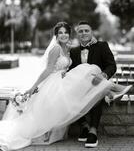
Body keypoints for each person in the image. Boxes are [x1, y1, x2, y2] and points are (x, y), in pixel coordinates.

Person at [0, 22, 131, 151]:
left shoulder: (71, 48)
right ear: (56, 35)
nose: (63, 35)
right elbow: (48, 70)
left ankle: (93, 127)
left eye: (66, 32)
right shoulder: (60, 49)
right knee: (88, 69)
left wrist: (103, 75)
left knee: (90, 70)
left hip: (71, 80)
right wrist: (34, 87)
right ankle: (113, 89)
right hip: (56, 82)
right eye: (60, 33)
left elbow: (110, 66)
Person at [69, 21, 132, 148]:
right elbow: (72, 71)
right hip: (80, 87)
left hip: (97, 83)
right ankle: (84, 126)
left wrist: (103, 75)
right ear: (77, 35)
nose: (84, 33)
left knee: (96, 92)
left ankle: (93, 131)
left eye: (86, 30)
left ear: (91, 32)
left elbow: (111, 65)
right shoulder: (74, 51)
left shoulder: (102, 46)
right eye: (80, 31)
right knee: (67, 95)